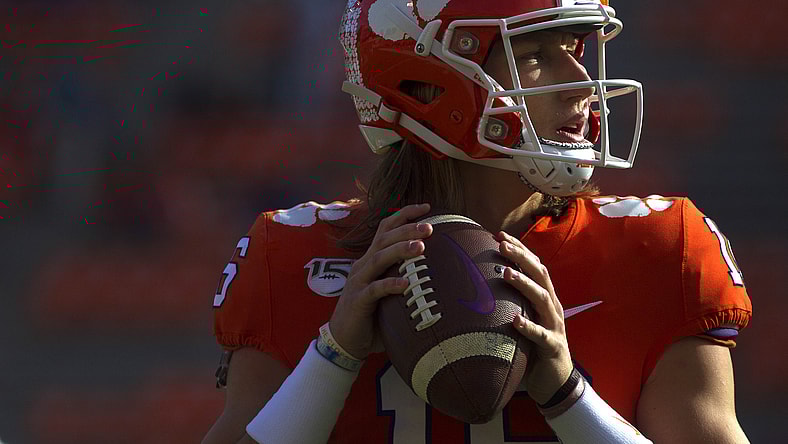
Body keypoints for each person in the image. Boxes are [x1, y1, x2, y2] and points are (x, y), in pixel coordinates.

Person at [202, 1, 752, 443]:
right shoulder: (293, 254)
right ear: (428, 84)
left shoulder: (658, 246)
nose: (581, 84)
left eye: (574, 48)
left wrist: (566, 395)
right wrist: (333, 357)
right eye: (534, 54)